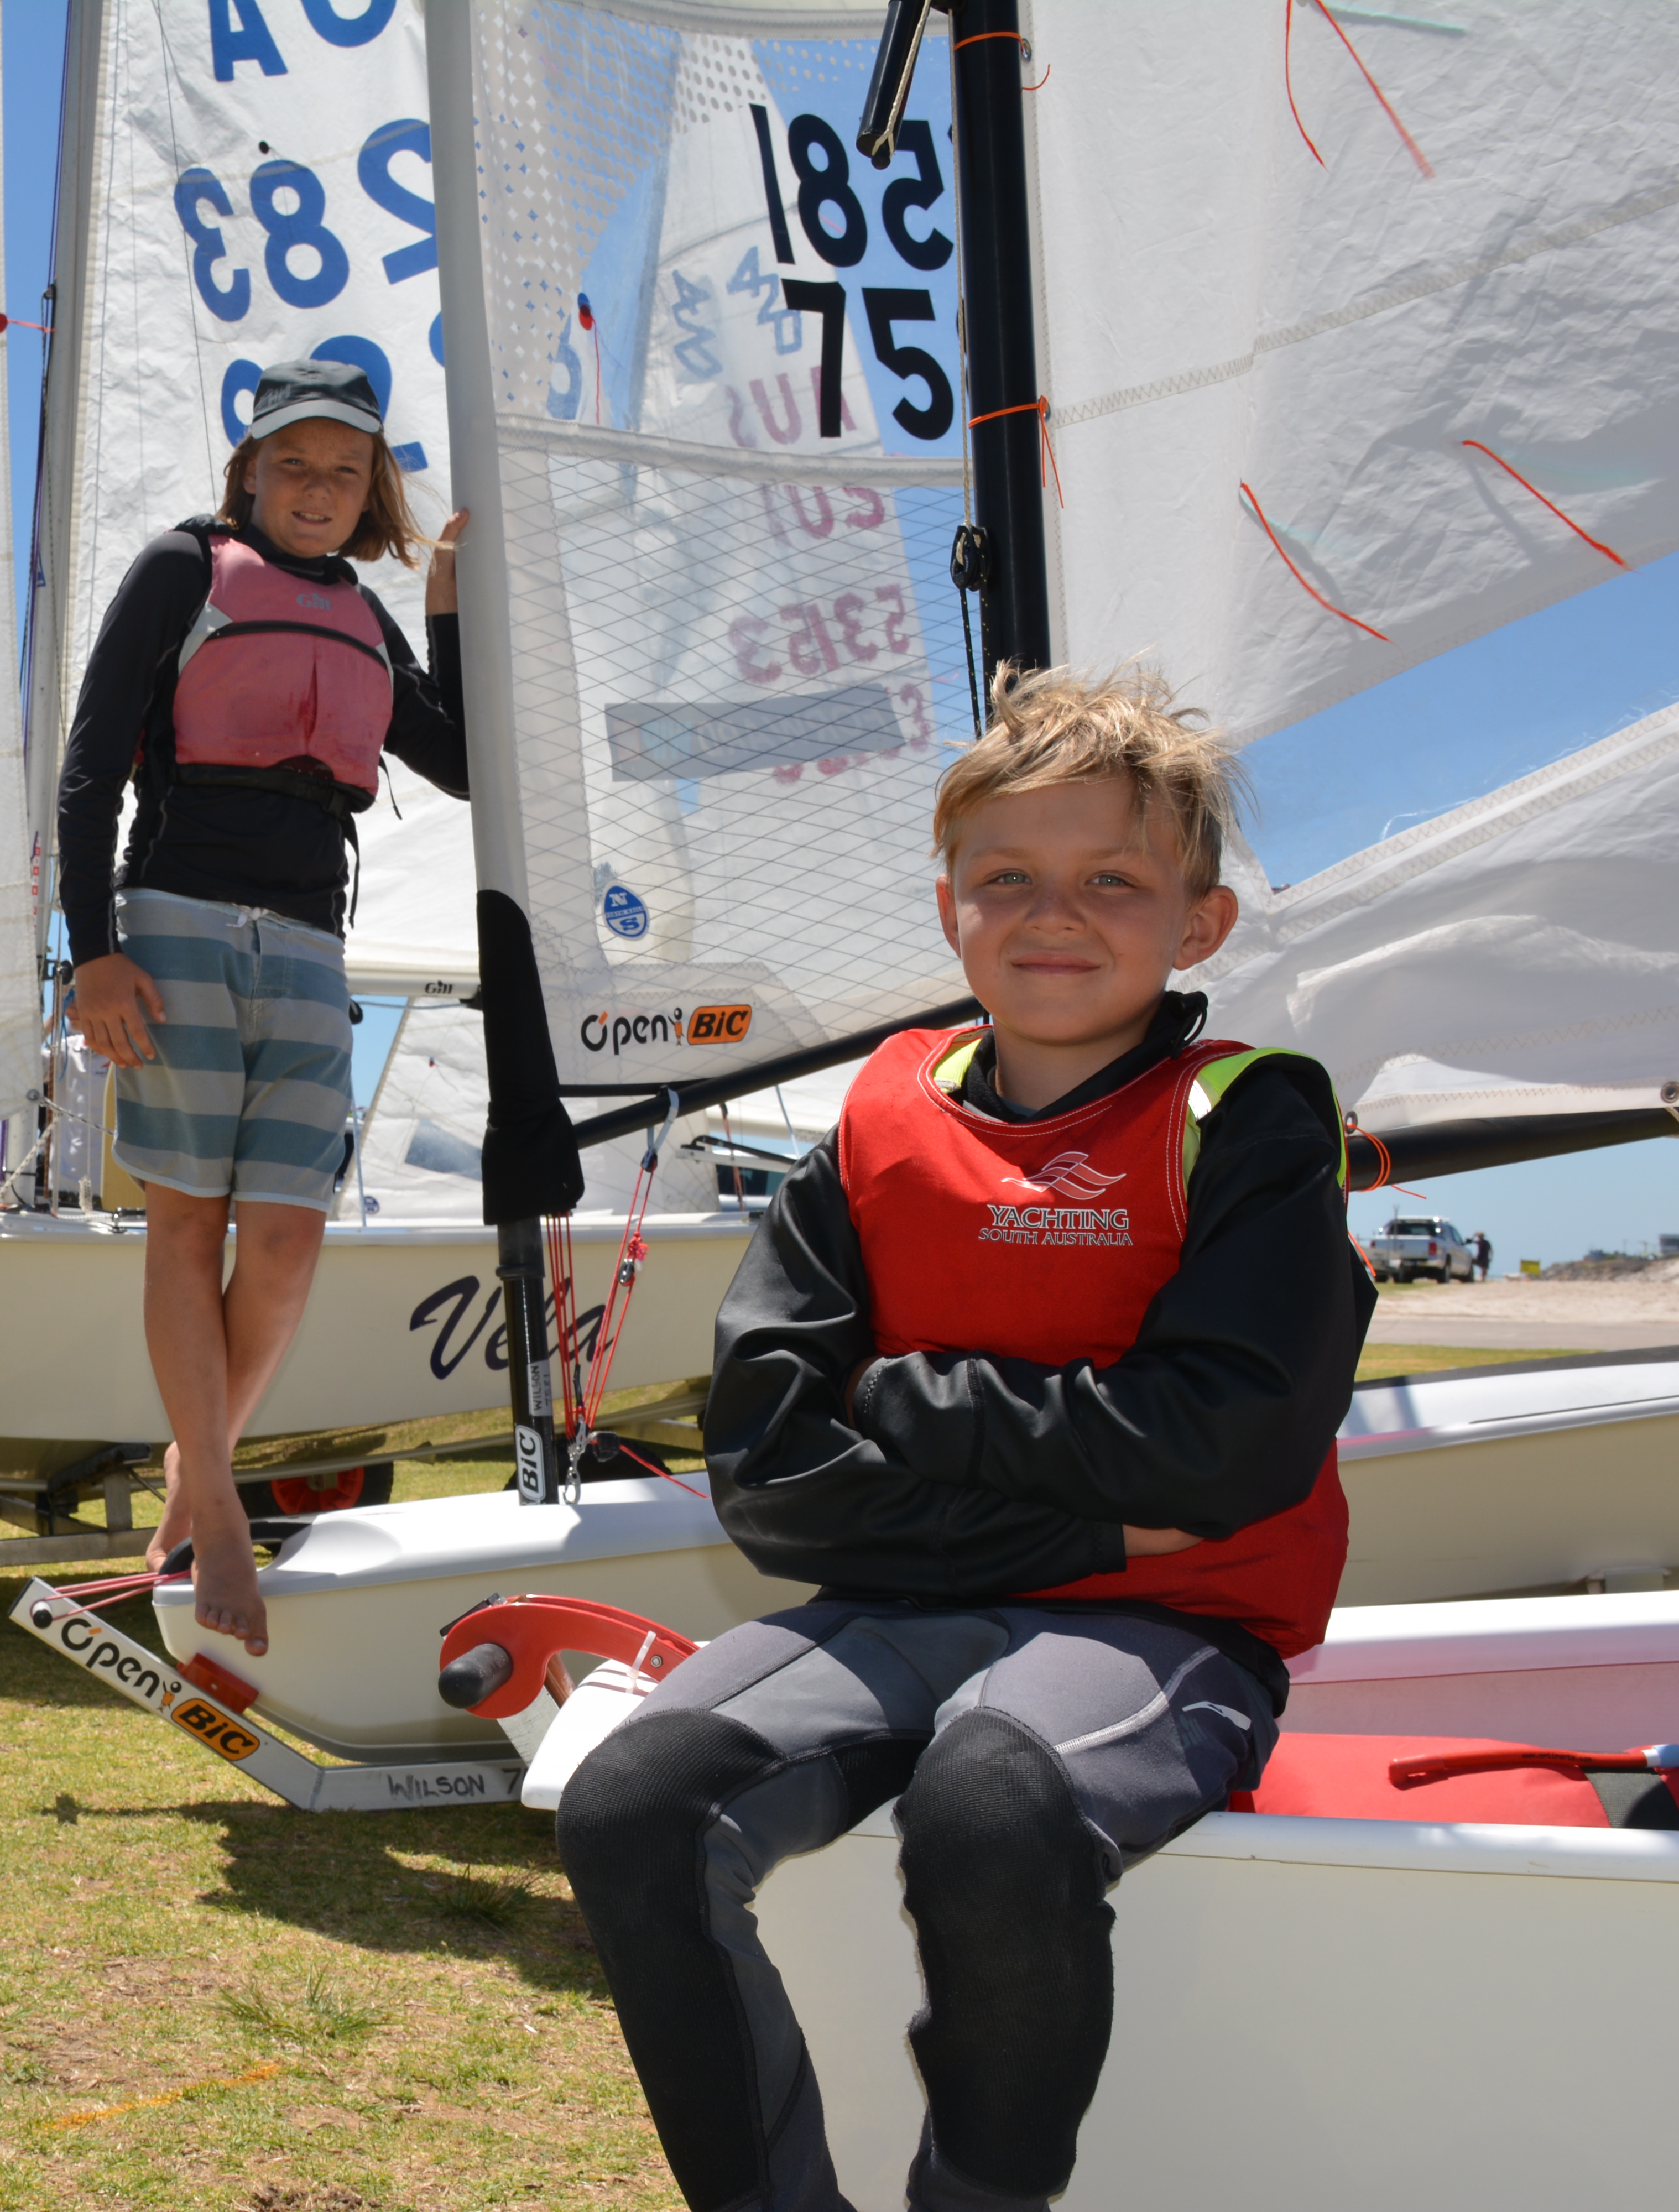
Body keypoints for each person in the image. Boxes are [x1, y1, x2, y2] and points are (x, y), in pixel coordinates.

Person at [555, 665, 1372, 2212]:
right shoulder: (874, 1124)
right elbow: (775, 1476)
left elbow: (1227, 1454)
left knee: (988, 1804)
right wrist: (1097, 1519)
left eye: (1110, 882)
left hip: (1173, 1626)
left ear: (1198, 924)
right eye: (1007, 879)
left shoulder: (1252, 1121)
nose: (1052, 914)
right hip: (942, 1604)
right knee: (630, 1801)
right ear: (950, 913)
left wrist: (910, 1397)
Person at [54, 359, 471, 1657]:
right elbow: (86, 771)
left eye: (345, 472)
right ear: (248, 470)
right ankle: (223, 1512)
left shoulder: (361, 609)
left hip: (307, 941)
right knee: (188, 1223)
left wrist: (448, 607)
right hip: (174, 923)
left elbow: (460, 758)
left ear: (371, 492)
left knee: (286, 1240)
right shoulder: (184, 567)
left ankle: (198, 1471)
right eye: (293, 464)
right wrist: (96, 953)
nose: (318, 489)